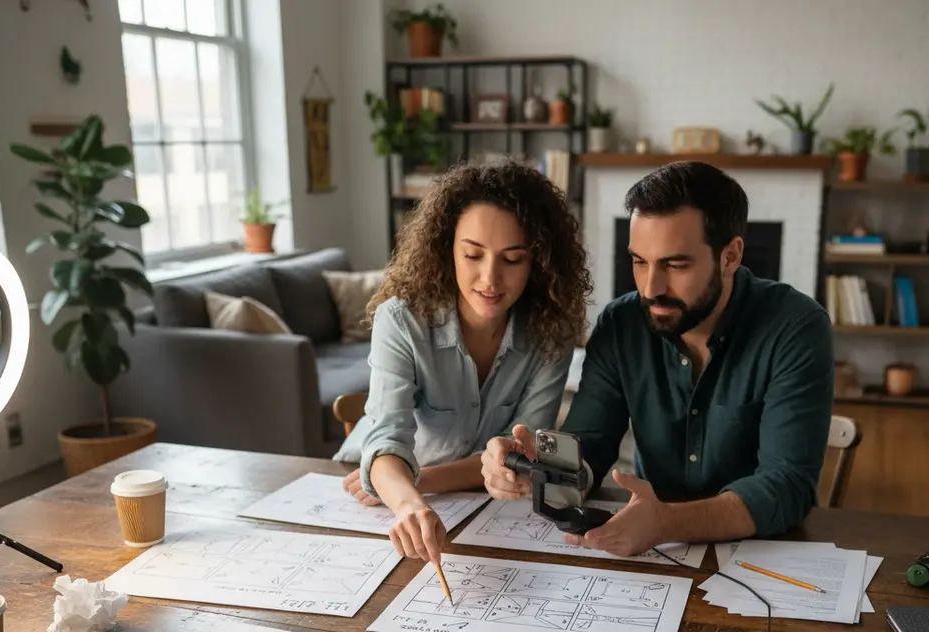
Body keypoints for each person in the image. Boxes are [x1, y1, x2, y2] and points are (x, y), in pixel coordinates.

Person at [481, 160, 834, 556]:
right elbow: (590, 443)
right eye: (639, 261)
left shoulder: (796, 327)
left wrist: (667, 522)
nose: (652, 288)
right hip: (654, 550)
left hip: (765, 553)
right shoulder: (621, 324)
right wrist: (540, 473)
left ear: (731, 256)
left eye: (676, 264)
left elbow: (787, 484)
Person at [334, 160, 591, 565]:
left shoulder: (551, 335)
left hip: (443, 495)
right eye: (473, 254)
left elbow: (514, 457)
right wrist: (405, 499)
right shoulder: (402, 320)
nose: (490, 278)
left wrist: (418, 481)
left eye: (512, 260)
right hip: (371, 494)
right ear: (446, 248)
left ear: (538, 262)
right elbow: (385, 444)